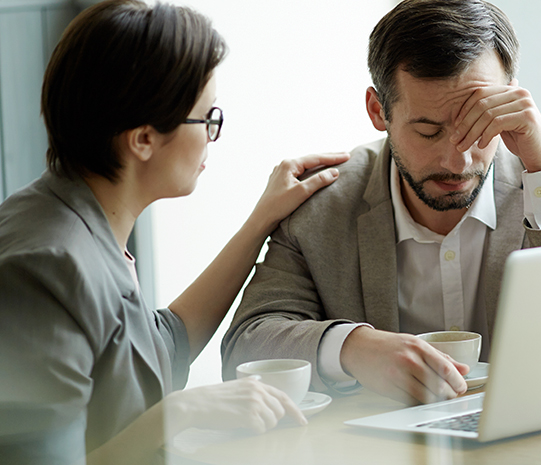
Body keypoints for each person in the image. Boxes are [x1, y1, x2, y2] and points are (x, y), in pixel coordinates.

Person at [221, 0, 541, 406]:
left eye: (477, 126)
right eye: (429, 131)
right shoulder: (322, 201)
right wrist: (352, 347)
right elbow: (247, 345)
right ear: (378, 110)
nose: (458, 160)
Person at [0, 1, 350, 464]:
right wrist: (178, 412)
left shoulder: (83, 223)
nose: (212, 135)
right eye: (206, 118)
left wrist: (262, 220)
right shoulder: (42, 267)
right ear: (142, 139)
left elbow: (161, 347)